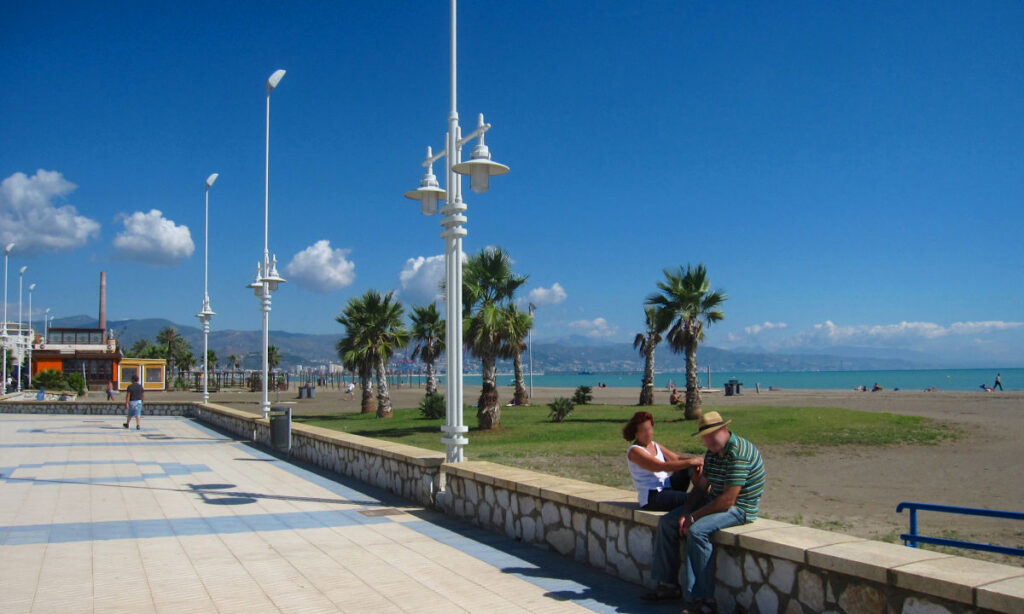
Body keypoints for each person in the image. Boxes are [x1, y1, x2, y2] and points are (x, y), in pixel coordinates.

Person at [643, 411, 765, 613]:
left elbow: (728, 500)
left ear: (724, 430)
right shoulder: (712, 454)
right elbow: (701, 488)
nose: (708, 441)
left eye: (712, 435)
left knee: (698, 531)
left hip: (739, 508)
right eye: (705, 437)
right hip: (715, 500)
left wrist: (693, 518)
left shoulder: (738, 453)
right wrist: (686, 512)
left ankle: (704, 600)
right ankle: (667, 585)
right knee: (667, 522)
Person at [624, 411, 703, 511]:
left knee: (689, 467)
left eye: (649, 429)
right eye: (643, 430)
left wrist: (698, 461)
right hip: (652, 496)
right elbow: (659, 466)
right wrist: (690, 462)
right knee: (693, 499)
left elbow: (676, 459)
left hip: (668, 487)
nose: (648, 433)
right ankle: (704, 499)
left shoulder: (654, 445)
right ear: (636, 433)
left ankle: (705, 490)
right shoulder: (635, 451)